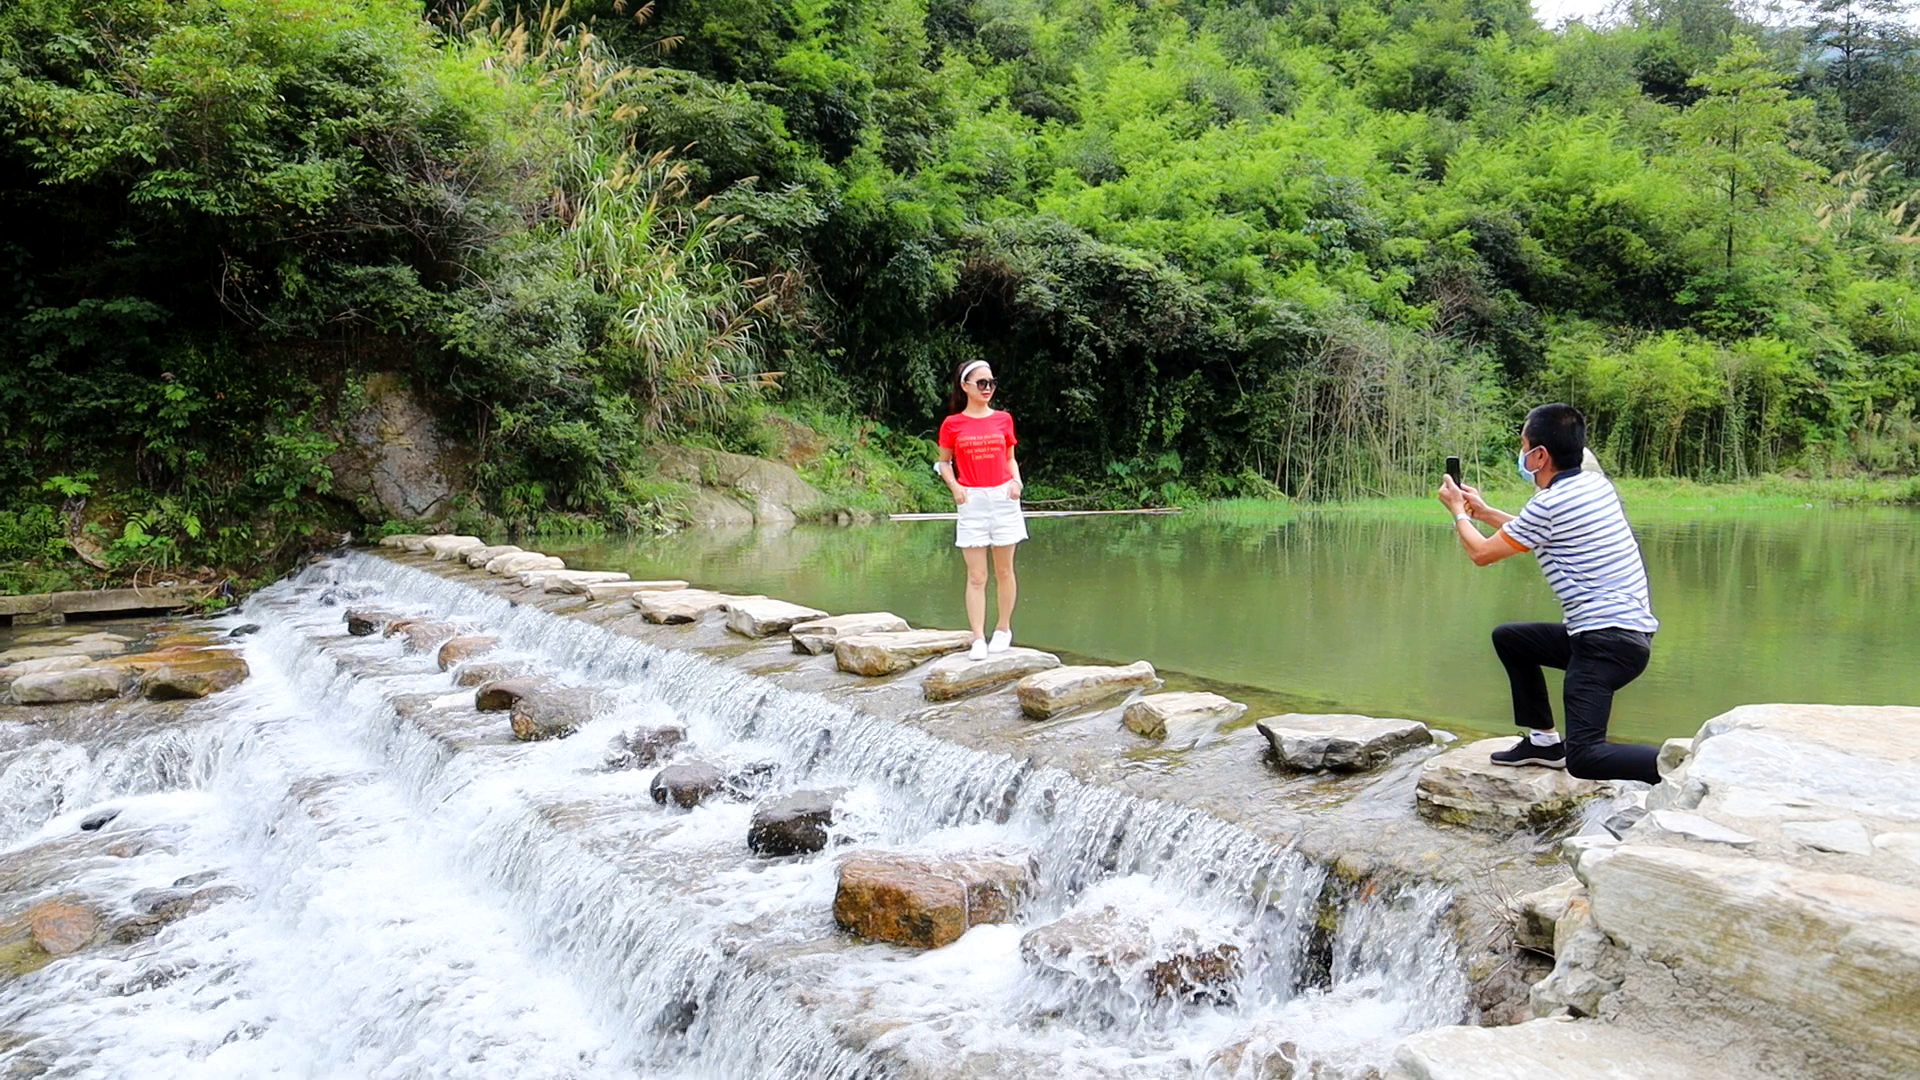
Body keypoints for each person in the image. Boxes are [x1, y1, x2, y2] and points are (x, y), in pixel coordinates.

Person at [1436, 404, 1662, 784]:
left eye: (1524, 445)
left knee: (1586, 758)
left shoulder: (1551, 503)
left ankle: (1685, 761)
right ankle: (1543, 743)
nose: (1521, 454)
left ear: (1539, 455)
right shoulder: (1593, 486)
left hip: (1604, 643)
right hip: (1621, 637)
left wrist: (1458, 512)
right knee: (1512, 639)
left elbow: (1482, 553)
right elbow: (1535, 531)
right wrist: (1486, 512)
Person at [935, 359, 1026, 661]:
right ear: (965, 386)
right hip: (971, 499)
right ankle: (977, 637)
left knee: (1004, 570)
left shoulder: (1003, 419)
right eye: (981, 383)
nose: (988, 388)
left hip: (1003, 497)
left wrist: (1017, 481)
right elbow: (944, 462)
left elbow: (1010, 457)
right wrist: (955, 488)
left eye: (992, 383)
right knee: (976, 575)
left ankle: (1003, 629)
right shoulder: (952, 424)